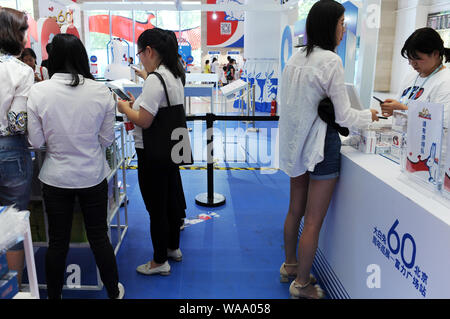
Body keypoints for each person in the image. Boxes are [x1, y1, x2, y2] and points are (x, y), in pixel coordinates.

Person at [278, 0, 379, 299]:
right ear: (328, 26)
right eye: (341, 25)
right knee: (313, 220)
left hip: (296, 144)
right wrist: (370, 117)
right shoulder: (331, 61)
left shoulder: (296, 59)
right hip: (322, 146)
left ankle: (290, 266)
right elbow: (345, 116)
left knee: (295, 210)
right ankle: (303, 284)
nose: (343, 31)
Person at [26, 33, 124, 299]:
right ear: (82, 57)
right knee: (99, 236)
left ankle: (54, 296)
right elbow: (106, 139)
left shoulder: (38, 91)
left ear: (51, 59)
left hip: (55, 177)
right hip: (92, 174)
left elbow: (35, 141)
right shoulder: (101, 91)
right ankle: (113, 291)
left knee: (57, 242)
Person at [117, 28, 189, 276]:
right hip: (170, 150)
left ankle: (159, 261)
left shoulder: (155, 79)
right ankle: (172, 248)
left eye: (140, 54)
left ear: (149, 51)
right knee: (169, 200)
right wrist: (135, 104)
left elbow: (144, 120)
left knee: (155, 206)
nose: (140, 60)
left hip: (153, 152)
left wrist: (124, 107)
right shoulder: (175, 74)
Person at [0, 6, 34, 290]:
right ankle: (13, 289)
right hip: (10, 148)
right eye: (23, 29)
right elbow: (17, 122)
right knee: (12, 221)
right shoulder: (22, 70)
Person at [380, 27, 450, 122]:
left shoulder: (446, 80)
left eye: (418, 58)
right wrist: (391, 107)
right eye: (410, 59)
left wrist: (403, 110)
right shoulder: (411, 77)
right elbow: (400, 104)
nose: (413, 64)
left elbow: (442, 122)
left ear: (436, 54)